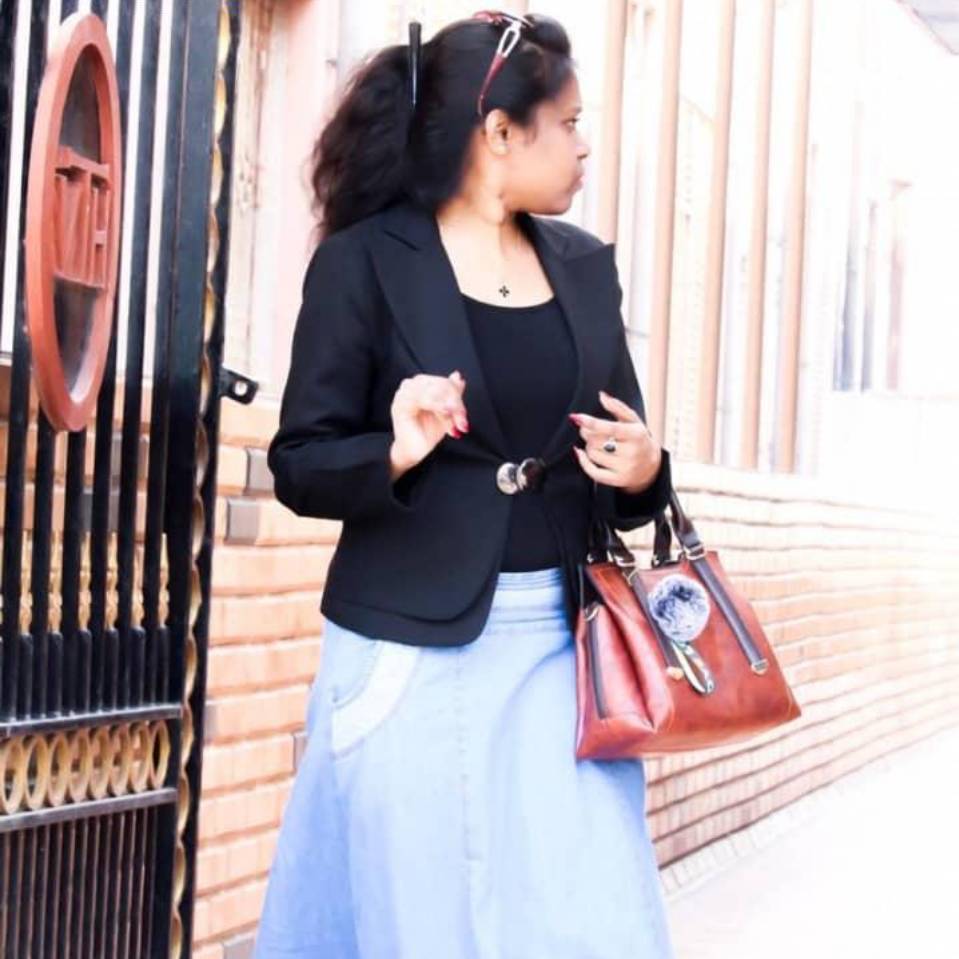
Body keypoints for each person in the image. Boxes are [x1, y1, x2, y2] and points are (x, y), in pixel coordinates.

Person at [253, 10, 677, 958]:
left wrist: (645, 469)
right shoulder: (364, 262)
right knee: (419, 924)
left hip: (565, 652)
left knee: (589, 921)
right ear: (499, 132)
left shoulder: (584, 269)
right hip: (408, 649)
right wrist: (395, 450)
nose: (584, 145)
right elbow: (300, 460)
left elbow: (624, 458)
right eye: (568, 123)